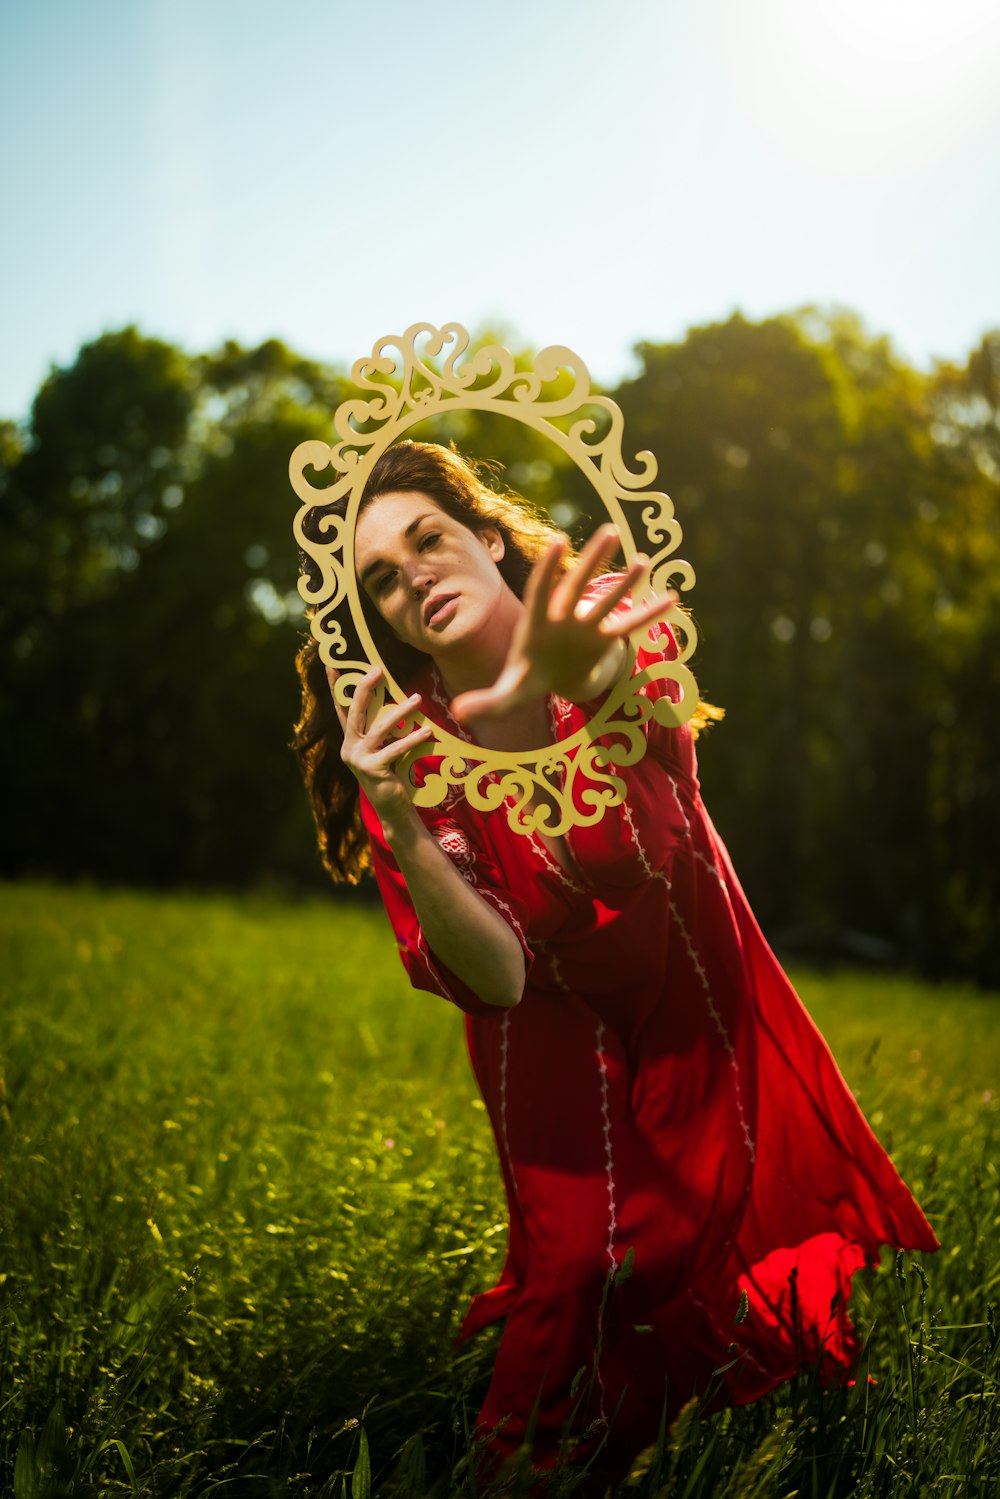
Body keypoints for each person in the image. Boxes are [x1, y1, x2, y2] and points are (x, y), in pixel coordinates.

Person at [294, 440, 938, 1483]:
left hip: (676, 967)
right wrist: (408, 828)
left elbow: (628, 858)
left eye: (428, 537)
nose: (410, 572)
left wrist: (592, 690)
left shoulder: (605, 622)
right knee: (582, 1256)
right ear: (382, 618)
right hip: (542, 1012)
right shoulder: (401, 749)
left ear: (488, 538)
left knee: (693, 1224)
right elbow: (496, 973)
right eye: (379, 575)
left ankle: (690, 1416)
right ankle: (519, 1467)